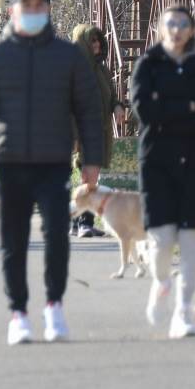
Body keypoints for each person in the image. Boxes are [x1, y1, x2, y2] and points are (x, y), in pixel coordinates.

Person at [0, 0, 105, 346]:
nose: (34, 11)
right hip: (8, 163)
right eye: (27, 5)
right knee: (14, 239)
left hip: (54, 161)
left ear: (48, 11)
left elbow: (89, 109)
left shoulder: (67, 56)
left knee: (57, 235)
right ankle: (19, 313)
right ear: (12, 11)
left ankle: (54, 305)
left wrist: (92, 160)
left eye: (40, 5)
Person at [130, 4, 195, 339]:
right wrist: (187, 107)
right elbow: (144, 109)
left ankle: (183, 312)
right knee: (162, 241)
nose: (177, 29)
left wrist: (170, 108)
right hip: (157, 161)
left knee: (192, 240)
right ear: (160, 28)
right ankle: (161, 281)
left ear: (192, 29)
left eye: (184, 23)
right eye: (171, 23)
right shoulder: (148, 65)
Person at [69, 23, 119, 240]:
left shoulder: (101, 69)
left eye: (98, 40)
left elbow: (112, 97)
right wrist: (74, 137)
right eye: (92, 41)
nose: (97, 44)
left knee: (90, 179)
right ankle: (84, 223)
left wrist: (118, 106)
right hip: (83, 131)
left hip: (101, 130)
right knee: (89, 179)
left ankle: (75, 221)